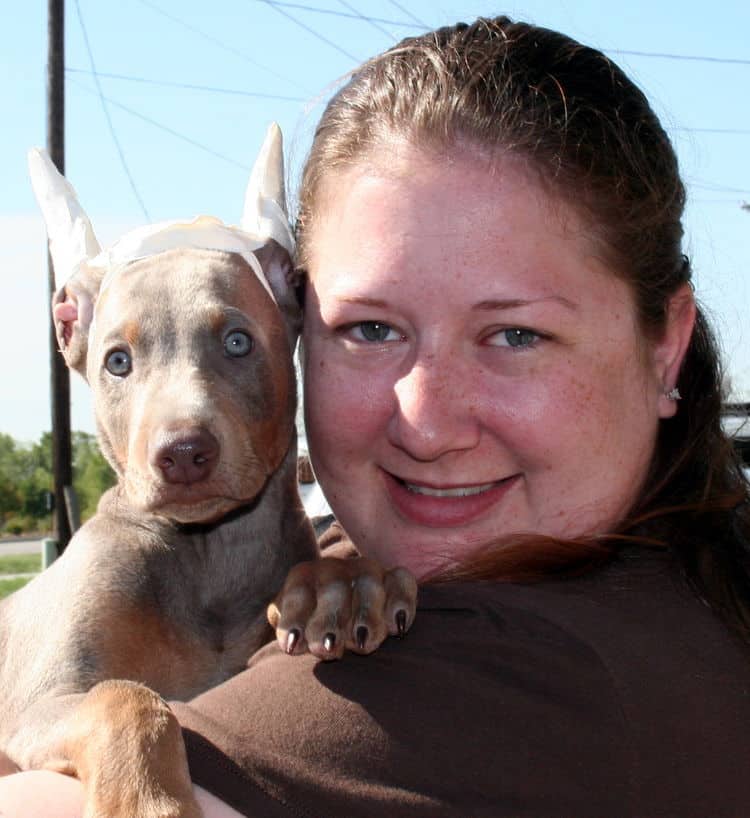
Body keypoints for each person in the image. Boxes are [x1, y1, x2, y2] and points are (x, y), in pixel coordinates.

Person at [2, 14, 750, 818]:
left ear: (666, 348)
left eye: (516, 333)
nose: (426, 426)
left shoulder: (519, 676)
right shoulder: (694, 572)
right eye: (370, 329)